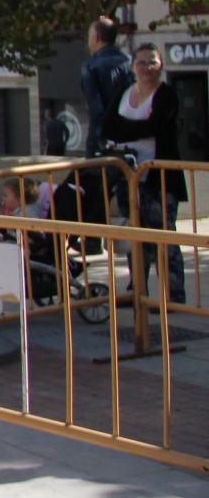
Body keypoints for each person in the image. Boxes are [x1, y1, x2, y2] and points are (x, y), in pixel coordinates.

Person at [102, 43, 187, 304]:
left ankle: (173, 296)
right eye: (141, 62)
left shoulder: (166, 94)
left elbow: (154, 127)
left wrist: (126, 127)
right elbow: (107, 127)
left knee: (164, 236)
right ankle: (137, 290)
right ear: (132, 66)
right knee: (135, 235)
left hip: (160, 176)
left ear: (161, 65)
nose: (147, 67)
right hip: (128, 175)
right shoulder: (123, 92)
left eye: (153, 62)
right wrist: (138, 126)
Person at [80, 15, 134, 157]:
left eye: (89, 36)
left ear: (96, 38)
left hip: (104, 141)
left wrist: (102, 141)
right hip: (131, 134)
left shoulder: (90, 66)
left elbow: (96, 109)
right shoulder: (130, 62)